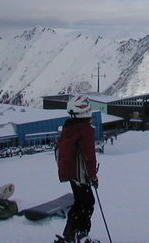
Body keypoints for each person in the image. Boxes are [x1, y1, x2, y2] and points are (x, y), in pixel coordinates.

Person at [56, 95, 99, 243]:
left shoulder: (69, 127)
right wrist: (92, 175)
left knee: (79, 203)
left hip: (71, 173)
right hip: (81, 174)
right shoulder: (85, 129)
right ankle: (81, 235)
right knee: (87, 203)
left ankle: (70, 234)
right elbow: (89, 155)